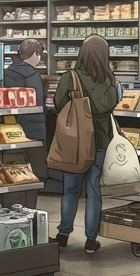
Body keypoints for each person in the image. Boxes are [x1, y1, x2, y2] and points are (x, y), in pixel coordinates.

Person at [50, 34, 118, 254]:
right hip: (100, 140)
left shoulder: (70, 77)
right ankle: (91, 239)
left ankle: (63, 235)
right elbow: (110, 105)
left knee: (70, 189)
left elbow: (59, 104)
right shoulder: (109, 79)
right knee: (93, 189)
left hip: (75, 143)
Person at [3, 39, 47, 207]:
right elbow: (37, 104)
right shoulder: (33, 76)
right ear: (35, 54)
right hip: (32, 130)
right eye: (40, 55)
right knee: (33, 175)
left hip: (9, 130)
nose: (40, 59)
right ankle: (29, 209)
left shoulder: (7, 72)